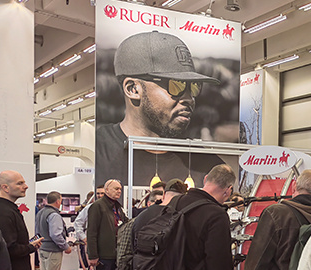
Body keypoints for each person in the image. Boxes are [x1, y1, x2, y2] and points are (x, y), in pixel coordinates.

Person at [95, 31, 222, 188]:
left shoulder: (208, 166)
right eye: (176, 85)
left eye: (194, 87)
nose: (189, 99)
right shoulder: (97, 153)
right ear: (133, 89)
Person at [35, 191, 73, 270]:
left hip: (43, 247)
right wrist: (65, 246)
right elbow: (56, 234)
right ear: (58, 201)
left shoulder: (41, 212)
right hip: (52, 249)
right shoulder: (54, 215)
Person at [74, 185, 105, 270]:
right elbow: (77, 223)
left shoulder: (113, 208)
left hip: (107, 245)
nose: (100, 195)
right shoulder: (89, 208)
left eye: (102, 193)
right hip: (93, 243)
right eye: (98, 193)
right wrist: (84, 237)